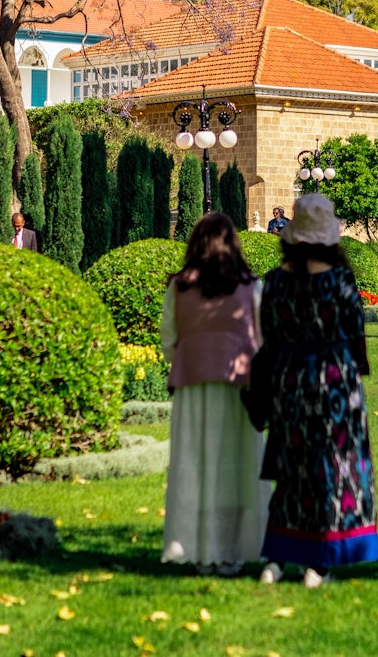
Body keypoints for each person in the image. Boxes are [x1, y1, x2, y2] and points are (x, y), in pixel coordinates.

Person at [258, 193, 378, 587]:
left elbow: (267, 337)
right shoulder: (341, 280)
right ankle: (320, 562)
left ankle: (277, 559)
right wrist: (357, 370)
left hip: (289, 379)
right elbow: (354, 337)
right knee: (333, 467)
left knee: (292, 469)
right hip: (334, 380)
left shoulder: (275, 281)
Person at [160, 212, 271, 576]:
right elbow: (262, 337)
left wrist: (190, 356)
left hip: (193, 385)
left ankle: (195, 546)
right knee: (237, 468)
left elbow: (168, 339)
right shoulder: (251, 285)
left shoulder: (179, 285)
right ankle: (232, 548)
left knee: (195, 465)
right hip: (239, 383)